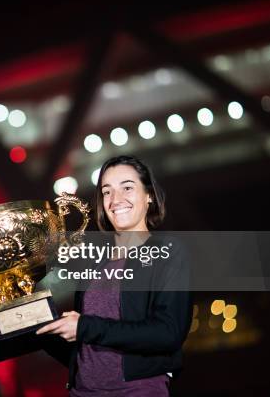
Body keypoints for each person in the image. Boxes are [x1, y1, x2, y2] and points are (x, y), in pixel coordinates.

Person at [36, 155, 192, 396]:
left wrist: (84, 326)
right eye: (107, 192)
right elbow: (84, 349)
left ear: (148, 195)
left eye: (127, 187)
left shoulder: (167, 253)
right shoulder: (94, 260)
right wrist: (33, 324)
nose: (115, 200)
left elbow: (167, 333)